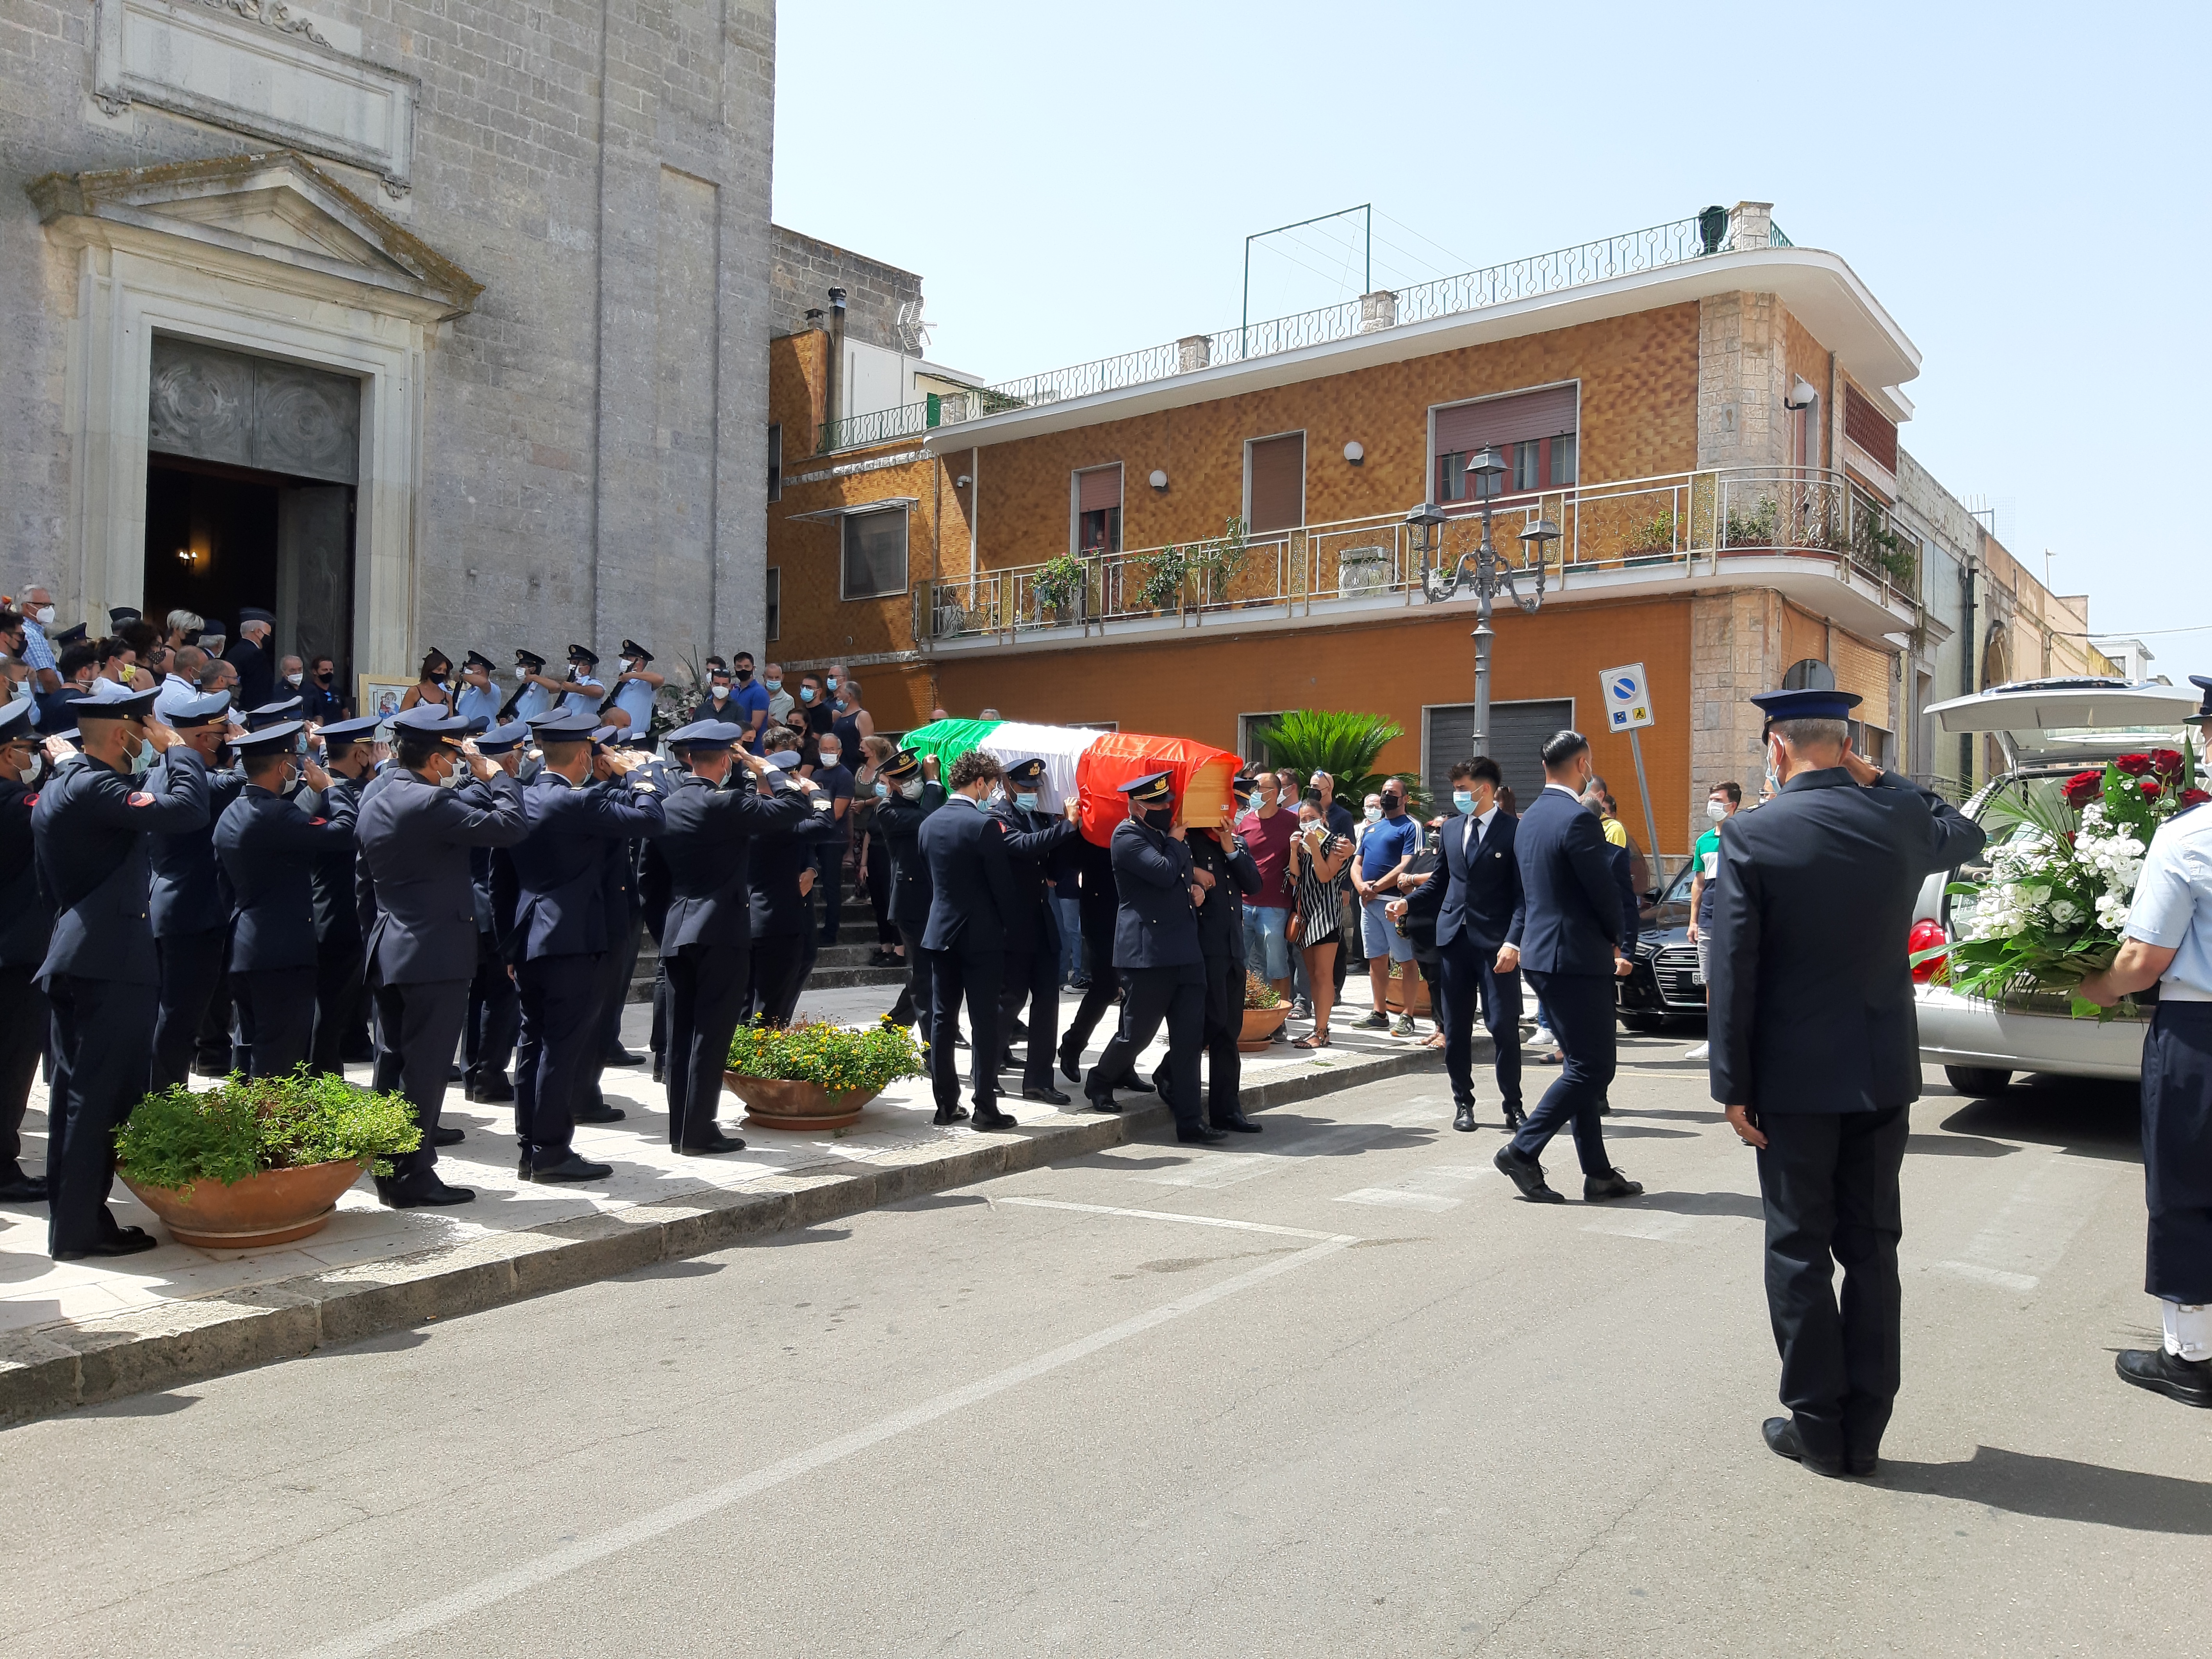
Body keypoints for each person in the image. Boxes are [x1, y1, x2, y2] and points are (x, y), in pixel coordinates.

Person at [1707, 688, 1985, 1474]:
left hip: (1791, 1084)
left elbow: (1736, 969)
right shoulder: (1898, 819)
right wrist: (1886, 779)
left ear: (1777, 749)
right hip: (1881, 1072)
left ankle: (1817, 1426)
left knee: (1799, 1250)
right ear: (1848, 744)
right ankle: (1865, 1427)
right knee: (1872, 1250)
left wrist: (1732, 1082)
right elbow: (1967, 832)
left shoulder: (1752, 833)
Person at [30, 680, 208, 1258]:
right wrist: (176, 749)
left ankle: (80, 1221)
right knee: (97, 1099)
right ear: (123, 732)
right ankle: (80, 1229)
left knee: (84, 1098)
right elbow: (185, 811)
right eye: (143, 725)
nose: (149, 734)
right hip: (107, 960)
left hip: (87, 953)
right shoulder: (91, 785)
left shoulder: (70, 782)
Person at [2072, 681, 2212, 1407]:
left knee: (2186, 1186)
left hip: (2199, 1032)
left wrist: (2087, 987)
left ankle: (2187, 1356)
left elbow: (2141, 963)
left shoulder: (2188, 837)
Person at [353, 705, 529, 1206]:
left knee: (393, 1065)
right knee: (425, 1071)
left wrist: (378, 939)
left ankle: (389, 1168)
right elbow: (511, 827)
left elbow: (362, 886)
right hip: (433, 954)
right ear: (436, 758)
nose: (460, 763)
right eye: (455, 754)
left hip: (390, 948)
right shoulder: (430, 802)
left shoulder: (376, 798)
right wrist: (495, 775)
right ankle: (413, 1176)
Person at [496, 708, 665, 1182]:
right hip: (573, 941)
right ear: (586, 755)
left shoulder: (522, 799)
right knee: (561, 1049)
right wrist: (642, 775)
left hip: (530, 937)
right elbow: (651, 818)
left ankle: (531, 1145)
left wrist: (509, 948)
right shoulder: (579, 802)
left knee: (533, 1045)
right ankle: (551, 1152)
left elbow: (502, 881)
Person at [1492, 730, 1642, 1206]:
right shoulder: (1580, 818)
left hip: (1543, 954)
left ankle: (1598, 1173)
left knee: (1583, 1065)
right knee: (1593, 1068)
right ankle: (1522, 1149)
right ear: (1583, 766)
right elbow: (1603, 892)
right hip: (1576, 957)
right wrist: (1618, 939)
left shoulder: (1531, 817)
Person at [656, 720, 818, 1151]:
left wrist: (667, 929)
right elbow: (794, 808)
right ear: (726, 760)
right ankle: (700, 1129)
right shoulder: (723, 803)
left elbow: (649, 880)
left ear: (690, 759)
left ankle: (680, 1130)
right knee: (711, 1032)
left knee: (681, 1036)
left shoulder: (668, 804)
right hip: (722, 931)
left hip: (678, 928)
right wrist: (769, 770)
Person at [1083, 771, 1221, 1143]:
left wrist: (1194, 889)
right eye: (1158, 804)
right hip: (1148, 953)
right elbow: (1161, 872)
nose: (1166, 809)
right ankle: (1100, 1079)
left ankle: (1190, 1122)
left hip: (1185, 951)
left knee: (1189, 1040)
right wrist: (1177, 844)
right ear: (1137, 806)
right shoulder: (1126, 836)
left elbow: (1175, 879)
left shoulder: (1164, 838)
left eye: (1167, 802)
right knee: (1137, 1034)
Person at [213, 721, 357, 1077]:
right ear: (282, 768)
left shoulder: (231, 812)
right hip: (282, 952)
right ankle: (268, 1130)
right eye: (294, 760)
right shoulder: (277, 813)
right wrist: (332, 790)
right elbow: (346, 832)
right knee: (280, 1052)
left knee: (250, 1045)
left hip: (245, 944)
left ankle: (245, 1126)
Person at [1411, 756, 1526, 1132]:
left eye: (1463, 789)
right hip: (1453, 940)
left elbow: (1525, 896)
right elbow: (1441, 880)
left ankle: (1514, 1105)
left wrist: (1514, 941)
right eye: (1456, 788)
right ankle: (1463, 1103)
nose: (1457, 795)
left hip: (1497, 946)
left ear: (1485, 789)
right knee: (1456, 1029)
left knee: (1502, 1026)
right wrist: (1407, 902)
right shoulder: (1451, 829)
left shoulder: (1514, 831)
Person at [146, 689, 248, 1088]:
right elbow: (245, 780)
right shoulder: (202, 784)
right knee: (179, 1016)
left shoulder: (154, 774)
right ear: (204, 740)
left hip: (165, 906)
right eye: (223, 735)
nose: (227, 741)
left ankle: (159, 1094)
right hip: (193, 913)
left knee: (167, 1012)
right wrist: (245, 749)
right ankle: (164, 1101)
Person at [917, 749, 1022, 1129]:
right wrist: (1012, 930)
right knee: (984, 1022)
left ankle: (946, 1104)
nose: (991, 792)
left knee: (943, 1020)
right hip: (981, 937)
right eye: (991, 785)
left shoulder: (929, 824)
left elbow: (933, 882)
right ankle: (984, 1107)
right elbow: (1002, 888)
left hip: (940, 933)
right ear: (979, 783)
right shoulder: (982, 826)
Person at [1164, 810, 1263, 1132]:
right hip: (1204, 947)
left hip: (1233, 946)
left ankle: (1227, 1109)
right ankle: (1171, 1071)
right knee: (1213, 1021)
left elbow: (1253, 883)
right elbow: (1170, 877)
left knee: (1228, 1031)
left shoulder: (1233, 841)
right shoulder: (1186, 842)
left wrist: (1229, 847)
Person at [990, 757, 1080, 1105]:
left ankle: (1039, 1080)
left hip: (1042, 921)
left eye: (1034, 789)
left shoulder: (1041, 818)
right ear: (1008, 785)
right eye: (1024, 788)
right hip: (1011, 925)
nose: (1030, 793)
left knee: (1047, 1000)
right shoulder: (997, 818)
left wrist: (1070, 830)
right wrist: (1065, 828)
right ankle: (986, 1064)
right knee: (1009, 999)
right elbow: (1023, 847)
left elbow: (1056, 864)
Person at [0, 701, 56, 1202]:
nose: (34, 756)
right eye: (27, 749)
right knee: (14, 1064)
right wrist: (69, 768)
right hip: (16, 956)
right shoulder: (16, 804)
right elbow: (53, 814)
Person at [307, 715, 382, 1074]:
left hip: (329, 909)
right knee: (332, 1007)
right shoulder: (345, 794)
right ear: (361, 755)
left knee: (338, 1004)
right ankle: (322, 1080)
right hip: (340, 913)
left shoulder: (320, 789)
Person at [873, 748, 942, 1032]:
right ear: (891, 783)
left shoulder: (926, 802)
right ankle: (931, 1047)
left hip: (937, 898)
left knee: (926, 974)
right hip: (911, 902)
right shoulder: (888, 809)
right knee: (925, 974)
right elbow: (928, 821)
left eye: (916, 777)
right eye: (904, 780)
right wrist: (935, 782)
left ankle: (893, 1025)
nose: (914, 783)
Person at [1352, 776, 1422, 1034]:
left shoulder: (1411, 826)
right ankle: (1379, 1012)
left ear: (1405, 799)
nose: (1386, 797)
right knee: (1377, 959)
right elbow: (1356, 863)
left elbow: (1407, 865)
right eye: (1383, 792)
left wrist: (1376, 888)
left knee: (1406, 960)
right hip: (1369, 905)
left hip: (1395, 904)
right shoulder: (1372, 828)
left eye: (1392, 793)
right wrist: (1361, 886)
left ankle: (1408, 1014)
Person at [1286, 794, 1353, 1047]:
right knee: (1312, 976)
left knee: (1324, 974)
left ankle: (1322, 1032)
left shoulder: (1338, 844)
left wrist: (1314, 846)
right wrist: (1295, 850)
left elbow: (1325, 876)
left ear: (1323, 818)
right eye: (1303, 820)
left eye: (1312, 818)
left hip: (1326, 915)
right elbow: (1294, 879)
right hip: (1307, 915)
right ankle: (1317, 1028)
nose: (1307, 824)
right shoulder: (1302, 844)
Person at [1683, 781, 1743, 1063]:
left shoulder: (1744, 836)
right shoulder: (1704, 841)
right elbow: (1698, 883)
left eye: (1718, 800)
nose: (1713, 805)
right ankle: (1714, 1041)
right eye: (1711, 799)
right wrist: (1693, 921)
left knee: (1737, 980)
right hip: (1708, 920)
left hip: (1736, 921)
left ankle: (1737, 1040)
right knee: (1711, 982)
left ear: (1733, 805)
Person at [1236, 771, 1297, 1008]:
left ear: (1274, 793)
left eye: (1258, 787)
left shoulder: (1291, 821)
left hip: (1275, 906)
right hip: (1244, 904)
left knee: (1276, 963)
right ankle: (1242, 1011)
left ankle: (1280, 1015)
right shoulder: (1246, 822)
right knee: (1240, 961)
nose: (1254, 793)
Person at [852, 735, 904, 969]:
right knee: (879, 904)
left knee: (892, 903)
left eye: (884, 782)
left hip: (890, 858)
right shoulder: (881, 807)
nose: (881, 785)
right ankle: (885, 946)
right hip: (873, 857)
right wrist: (863, 864)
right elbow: (869, 834)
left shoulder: (900, 807)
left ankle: (900, 949)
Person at [810, 730, 856, 942]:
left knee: (831, 887)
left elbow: (838, 813)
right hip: (814, 837)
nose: (828, 753)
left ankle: (830, 933)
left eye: (832, 750)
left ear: (840, 752)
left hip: (833, 839)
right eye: (824, 750)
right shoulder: (817, 776)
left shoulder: (844, 776)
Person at [605, 638, 662, 735]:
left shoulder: (645, 684)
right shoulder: (623, 683)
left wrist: (631, 675)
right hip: (616, 736)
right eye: (624, 659)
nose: (624, 661)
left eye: (628, 659)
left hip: (635, 738)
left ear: (638, 662)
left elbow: (660, 679)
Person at [226, 608, 276, 710]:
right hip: (251, 714)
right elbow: (260, 691)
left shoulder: (233, 652)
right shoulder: (257, 655)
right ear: (258, 632)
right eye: (268, 633)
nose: (269, 637)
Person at [451, 651, 502, 728]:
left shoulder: (492, 689)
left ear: (480, 672)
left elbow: (484, 683)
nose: (467, 672)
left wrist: (462, 676)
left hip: (483, 736)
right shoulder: (471, 690)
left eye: (470, 669)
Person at [398, 648, 454, 714]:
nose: (442, 673)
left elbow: (450, 721)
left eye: (445, 671)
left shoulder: (447, 697)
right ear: (429, 670)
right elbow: (402, 719)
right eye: (439, 670)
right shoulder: (415, 692)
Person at [763, 662, 794, 728]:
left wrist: (760, 715)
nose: (774, 680)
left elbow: (774, 724)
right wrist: (766, 717)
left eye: (777, 678)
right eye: (770, 677)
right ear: (764, 677)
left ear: (782, 678)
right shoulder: (758, 695)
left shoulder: (788, 700)